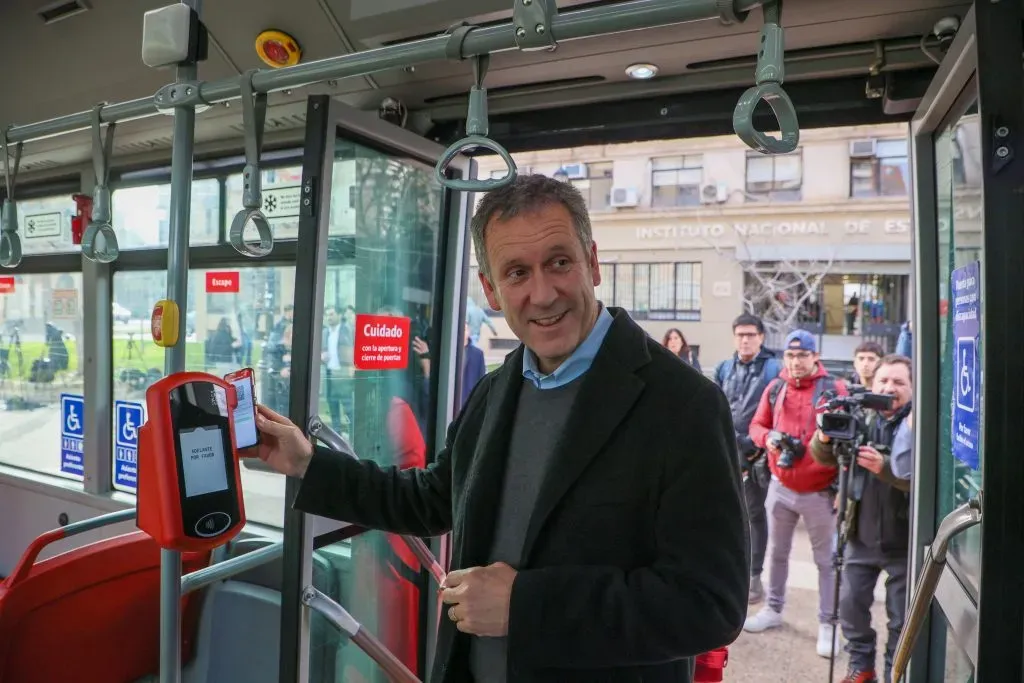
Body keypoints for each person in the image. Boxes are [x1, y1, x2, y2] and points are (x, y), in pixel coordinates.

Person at [254, 174, 748, 683]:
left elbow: (710, 603)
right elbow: (433, 498)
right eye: (516, 272)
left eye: (559, 262)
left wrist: (526, 607)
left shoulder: (683, 404)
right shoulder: (498, 388)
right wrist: (306, 462)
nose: (543, 293)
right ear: (491, 289)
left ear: (592, 263)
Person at [743, 329, 848, 659]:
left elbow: (847, 439)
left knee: (826, 561)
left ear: (814, 356)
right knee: (777, 552)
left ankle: (828, 623)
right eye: (790, 355)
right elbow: (755, 426)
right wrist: (769, 438)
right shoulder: (776, 388)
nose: (796, 361)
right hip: (781, 486)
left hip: (820, 491)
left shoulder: (834, 388)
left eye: (802, 355)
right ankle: (773, 609)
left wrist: (842, 490)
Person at [809, 355, 914, 683]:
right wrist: (824, 435)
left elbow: (921, 477)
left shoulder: (919, 423)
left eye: (899, 382)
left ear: (912, 388)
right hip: (860, 534)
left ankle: (892, 673)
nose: (889, 388)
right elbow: (823, 455)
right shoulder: (860, 415)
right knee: (850, 608)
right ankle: (861, 667)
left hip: (904, 539)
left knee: (901, 620)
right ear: (872, 383)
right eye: (883, 381)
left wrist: (884, 468)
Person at [713, 313, 782, 605]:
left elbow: (776, 414)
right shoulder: (724, 368)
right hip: (725, 453)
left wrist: (756, 444)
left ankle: (754, 577)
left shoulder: (773, 369)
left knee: (754, 515)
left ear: (761, 337)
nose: (745, 340)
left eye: (751, 335)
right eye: (740, 334)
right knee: (722, 513)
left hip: (757, 458)